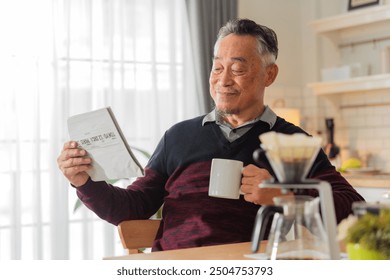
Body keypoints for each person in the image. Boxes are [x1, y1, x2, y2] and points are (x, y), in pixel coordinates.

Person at [57, 18, 364, 251]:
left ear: (269, 74)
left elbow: (352, 205)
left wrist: (282, 195)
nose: (223, 80)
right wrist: (84, 182)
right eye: (217, 68)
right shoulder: (178, 136)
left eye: (238, 69)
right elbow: (133, 206)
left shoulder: (290, 143)